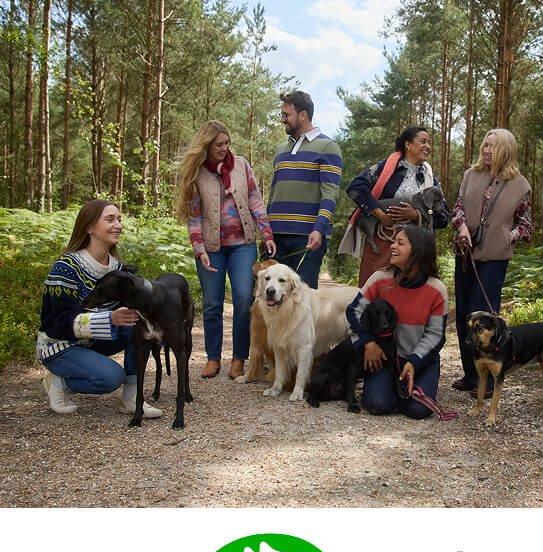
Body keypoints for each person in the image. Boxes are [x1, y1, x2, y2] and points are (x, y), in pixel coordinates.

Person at [37, 199, 162, 418]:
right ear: (89, 227)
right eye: (110, 219)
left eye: (119, 219)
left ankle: (132, 399)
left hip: (92, 342)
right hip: (59, 346)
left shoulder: (117, 267)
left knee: (141, 326)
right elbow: (54, 324)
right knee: (110, 378)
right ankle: (59, 381)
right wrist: (109, 319)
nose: (118, 225)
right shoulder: (66, 268)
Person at [175, 120, 275, 380]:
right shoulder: (197, 174)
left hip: (242, 245)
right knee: (212, 303)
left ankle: (239, 358)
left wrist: (266, 233)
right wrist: (199, 249)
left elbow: (255, 200)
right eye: (218, 144)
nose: (224, 148)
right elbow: (194, 217)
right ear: (206, 146)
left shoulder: (241, 165)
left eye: (227, 143)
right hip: (212, 248)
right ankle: (212, 358)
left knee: (243, 299)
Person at [451, 128, 533, 395]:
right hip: (465, 255)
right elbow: (458, 208)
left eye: (492, 147)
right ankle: (469, 374)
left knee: (483, 317)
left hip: (495, 259)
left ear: (506, 151)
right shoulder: (470, 175)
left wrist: (508, 236)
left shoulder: (520, 185)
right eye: (485, 145)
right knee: (465, 313)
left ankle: (484, 380)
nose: (486, 151)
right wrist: (461, 227)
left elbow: (526, 225)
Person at [346, 225, 447, 419]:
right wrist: (368, 342)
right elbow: (354, 311)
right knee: (377, 404)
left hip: (420, 361)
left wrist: (414, 363)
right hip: (385, 360)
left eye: (400, 243)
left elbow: (435, 335)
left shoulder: (436, 289)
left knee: (418, 410)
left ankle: (403, 389)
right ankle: (388, 387)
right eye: (394, 241)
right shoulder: (379, 279)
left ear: (418, 251)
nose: (392, 246)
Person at [340, 125, 450, 285]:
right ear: (408, 144)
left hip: (415, 250)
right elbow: (355, 187)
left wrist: (417, 215)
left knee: (408, 294)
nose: (428, 146)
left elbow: (444, 218)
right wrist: (381, 215)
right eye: (423, 141)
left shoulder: (430, 179)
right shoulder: (384, 168)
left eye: (429, 143)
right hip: (382, 242)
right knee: (373, 290)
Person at [266, 91, 343, 289]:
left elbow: (330, 193)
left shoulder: (328, 147)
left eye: (286, 115)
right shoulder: (280, 149)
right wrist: (266, 230)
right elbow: (274, 192)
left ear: (303, 115)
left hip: (308, 238)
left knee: (302, 303)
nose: (283, 120)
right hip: (277, 237)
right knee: (274, 304)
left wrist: (319, 228)